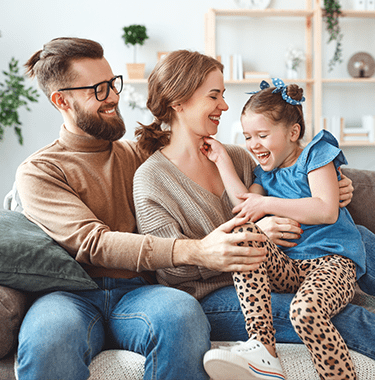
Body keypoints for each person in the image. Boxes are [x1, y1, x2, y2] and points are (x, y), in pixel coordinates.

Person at [15, 37, 269, 380]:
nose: (115, 97)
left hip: (140, 293)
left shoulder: (139, 155)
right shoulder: (41, 170)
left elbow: (190, 140)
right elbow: (94, 244)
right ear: (62, 100)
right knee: (48, 339)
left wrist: (316, 177)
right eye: (99, 90)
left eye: (113, 83)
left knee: (182, 315)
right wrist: (197, 251)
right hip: (70, 295)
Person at [133, 50, 375, 379]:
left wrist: (338, 186)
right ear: (178, 101)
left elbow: (288, 186)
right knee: (333, 316)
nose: (225, 106)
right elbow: (171, 268)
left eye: (224, 95)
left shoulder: (238, 156)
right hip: (218, 291)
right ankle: (265, 350)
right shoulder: (151, 178)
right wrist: (255, 229)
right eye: (214, 96)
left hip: (291, 267)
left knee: (361, 237)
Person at [201, 78, 367, 379]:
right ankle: (263, 349)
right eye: (248, 136)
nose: (253, 145)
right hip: (289, 266)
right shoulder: (266, 175)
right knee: (243, 237)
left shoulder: (316, 155)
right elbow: (244, 204)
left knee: (304, 312)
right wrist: (221, 158)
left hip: (332, 263)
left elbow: (326, 210)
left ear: (294, 132)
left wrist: (268, 205)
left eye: (262, 135)